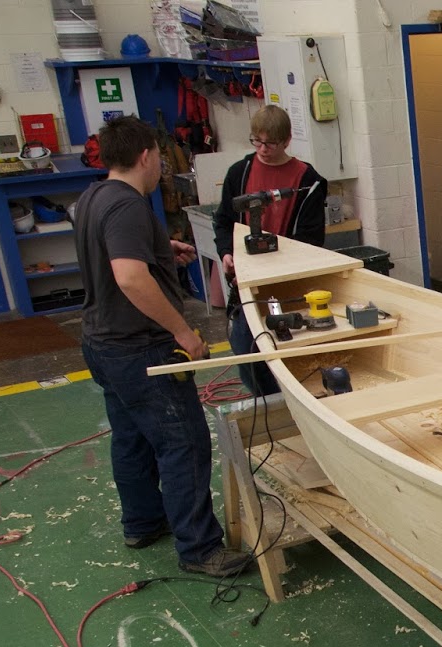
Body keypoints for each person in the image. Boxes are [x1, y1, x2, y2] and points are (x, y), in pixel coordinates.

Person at [74, 115, 251, 579]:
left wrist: (158, 249)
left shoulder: (94, 196)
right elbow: (130, 278)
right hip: (140, 347)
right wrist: (183, 333)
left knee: (131, 437)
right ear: (145, 156)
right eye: (158, 159)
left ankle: (142, 522)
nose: (160, 168)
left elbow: (116, 255)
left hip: (102, 342)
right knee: (183, 442)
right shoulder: (127, 206)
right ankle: (200, 549)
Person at [212, 105, 329, 396]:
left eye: (271, 143)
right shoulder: (240, 173)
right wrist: (227, 252)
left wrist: (276, 263)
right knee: (245, 347)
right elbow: (224, 221)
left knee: (290, 349)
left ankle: (293, 401)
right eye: (257, 141)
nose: (263, 149)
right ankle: (269, 401)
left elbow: (311, 238)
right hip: (246, 282)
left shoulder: (308, 181)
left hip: (288, 282)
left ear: (287, 141)